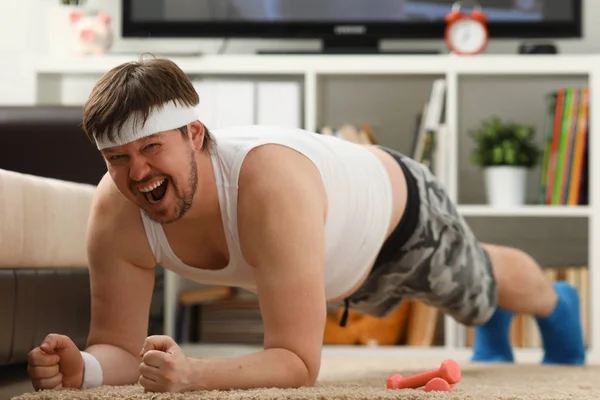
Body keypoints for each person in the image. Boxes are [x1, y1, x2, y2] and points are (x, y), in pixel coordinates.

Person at [26, 54, 585, 393]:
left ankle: (558, 303)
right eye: (118, 159)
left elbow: (297, 362)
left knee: (476, 286)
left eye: (152, 148)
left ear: (195, 136)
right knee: (473, 298)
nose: (137, 173)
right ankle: (490, 318)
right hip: (337, 271)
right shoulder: (115, 212)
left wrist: (194, 374)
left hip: (399, 226)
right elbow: (118, 348)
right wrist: (87, 371)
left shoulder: (268, 183)